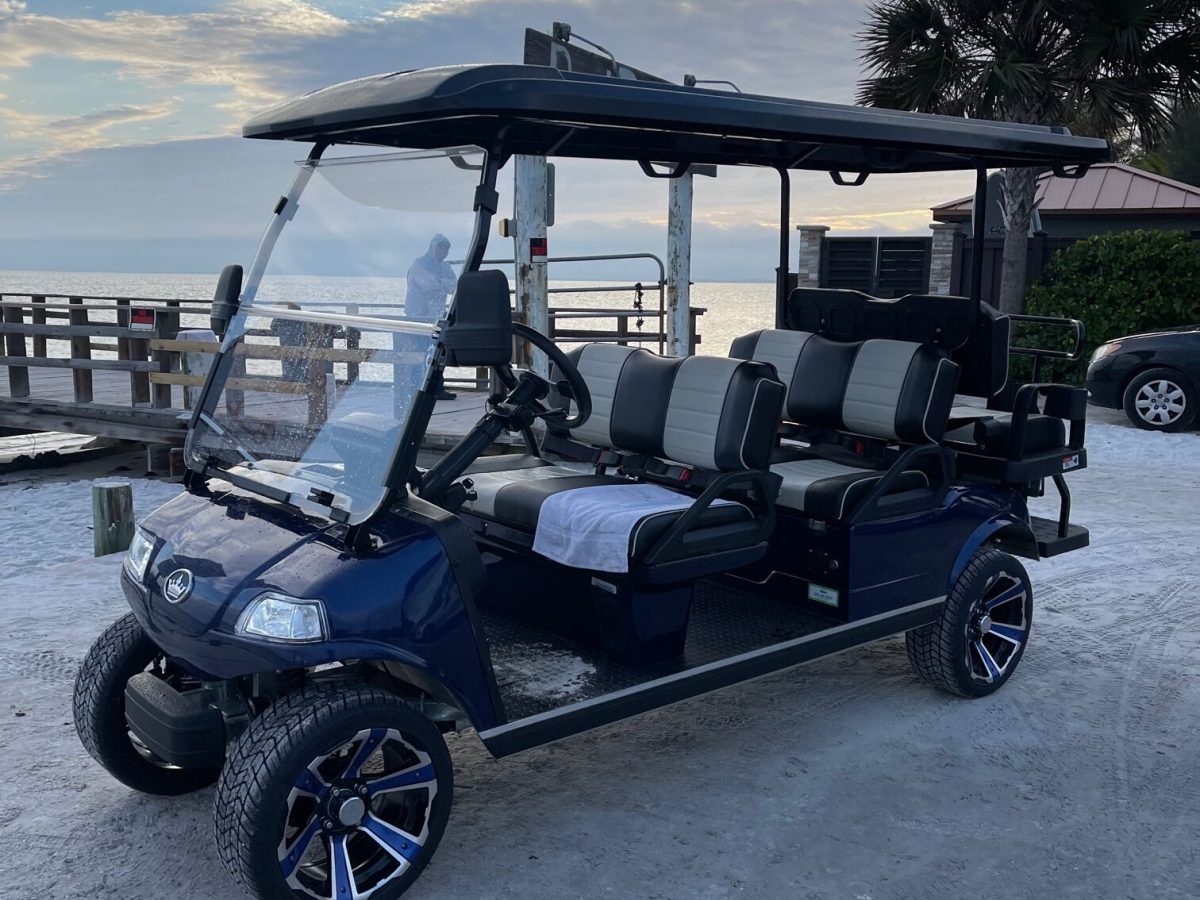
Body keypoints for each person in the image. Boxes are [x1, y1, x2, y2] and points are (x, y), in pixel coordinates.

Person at [406, 233, 458, 400]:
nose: (444, 251)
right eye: (441, 247)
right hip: (417, 317)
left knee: (438, 353)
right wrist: (443, 283)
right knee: (419, 353)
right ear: (433, 247)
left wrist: (440, 283)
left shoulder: (445, 266)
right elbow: (429, 285)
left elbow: (455, 285)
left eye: (446, 248)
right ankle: (417, 388)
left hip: (436, 318)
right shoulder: (419, 264)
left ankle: (436, 387)